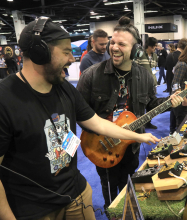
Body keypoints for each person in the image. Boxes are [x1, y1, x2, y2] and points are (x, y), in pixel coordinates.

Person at [0, 17, 163, 220]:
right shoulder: (5, 99)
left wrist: (140, 137)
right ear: (40, 53)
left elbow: (97, 123)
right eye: (66, 52)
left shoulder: (65, 89)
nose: (72, 59)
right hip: (34, 208)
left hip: (77, 195)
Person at [76, 16, 183, 209]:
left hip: (132, 145)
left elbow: (151, 104)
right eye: (113, 42)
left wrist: (170, 102)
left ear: (134, 51)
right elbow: (80, 114)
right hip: (101, 146)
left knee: (128, 188)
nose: (114, 48)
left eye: (122, 44)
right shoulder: (92, 75)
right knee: (109, 190)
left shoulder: (144, 75)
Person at [135, 36, 158, 129]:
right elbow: (134, 67)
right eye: (154, 46)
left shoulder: (155, 56)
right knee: (141, 105)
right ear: (149, 46)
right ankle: (139, 125)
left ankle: (148, 122)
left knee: (151, 104)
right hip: (141, 84)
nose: (155, 48)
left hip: (152, 84)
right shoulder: (139, 54)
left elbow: (154, 67)